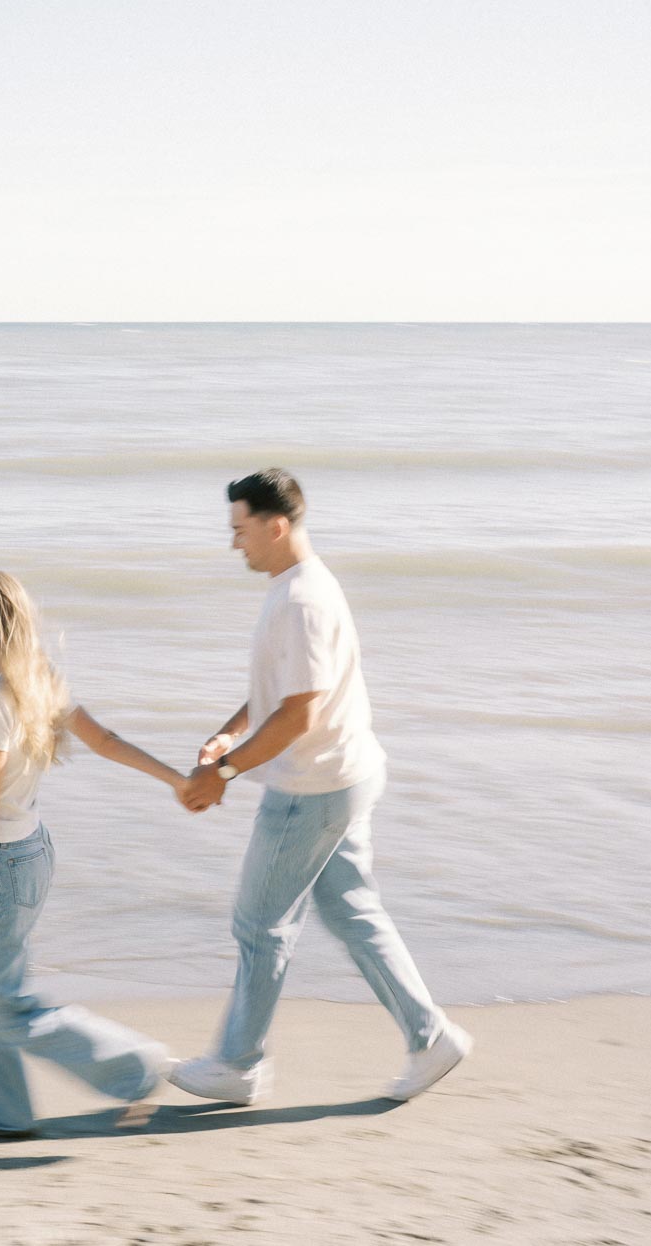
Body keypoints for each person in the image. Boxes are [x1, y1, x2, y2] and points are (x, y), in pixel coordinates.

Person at [170, 469, 472, 1105]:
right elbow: (278, 695)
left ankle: (237, 1064)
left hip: (312, 789)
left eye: (240, 530)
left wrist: (222, 775)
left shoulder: (303, 600)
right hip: (347, 774)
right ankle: (430, 1036)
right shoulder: (299, 587)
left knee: (260, 925)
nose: (234, 545)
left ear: (276, 526)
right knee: (353, 912)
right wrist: (228, 735)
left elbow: (298, 715)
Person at [0, 569, 186, 1136]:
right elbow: (107, 742)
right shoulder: (41, 681)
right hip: (31, 852)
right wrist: (172, 778)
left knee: (1, 1003)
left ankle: (135, 1066)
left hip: (4, 865)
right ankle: (7, 1113)